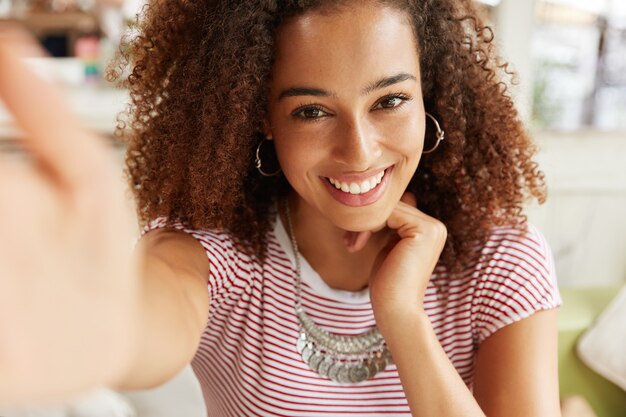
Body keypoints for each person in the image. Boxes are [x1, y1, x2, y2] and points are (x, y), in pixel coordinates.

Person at [0, 0, 563, 415]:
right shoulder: (216, 252)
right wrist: (103, 330)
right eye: (312, 112)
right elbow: (155, 312)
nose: (360, 151)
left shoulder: (502, 261)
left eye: (390, 100)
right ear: (261, 116)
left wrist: (404, 318)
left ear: (428, 96)